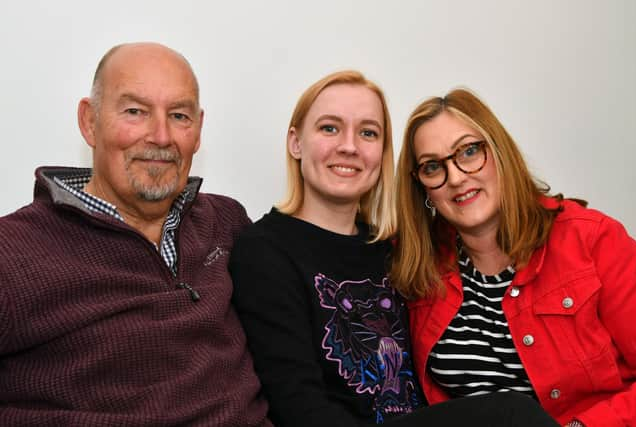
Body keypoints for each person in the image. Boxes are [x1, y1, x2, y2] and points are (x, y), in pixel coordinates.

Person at [230, 71, 559, 427]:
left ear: (383, 152)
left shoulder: (395, 251)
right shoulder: (265, 251)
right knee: (510, 414)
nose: (350, 146)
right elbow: (297, 406)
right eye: (329, 128)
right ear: (295, 142)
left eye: (368, 133)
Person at [0, 42, 271, 426]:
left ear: (198, 131)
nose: (161, 136)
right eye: (135, 112)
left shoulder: (224, 222)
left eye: (179, 115)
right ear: (89, 121)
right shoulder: (11, 253)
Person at [390, 88, 636, 427]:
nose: (457, 177)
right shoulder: (416, 264)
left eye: (469, 151)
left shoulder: (593, 239)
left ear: (498, 151)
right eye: (433, 166)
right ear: (423, 188)